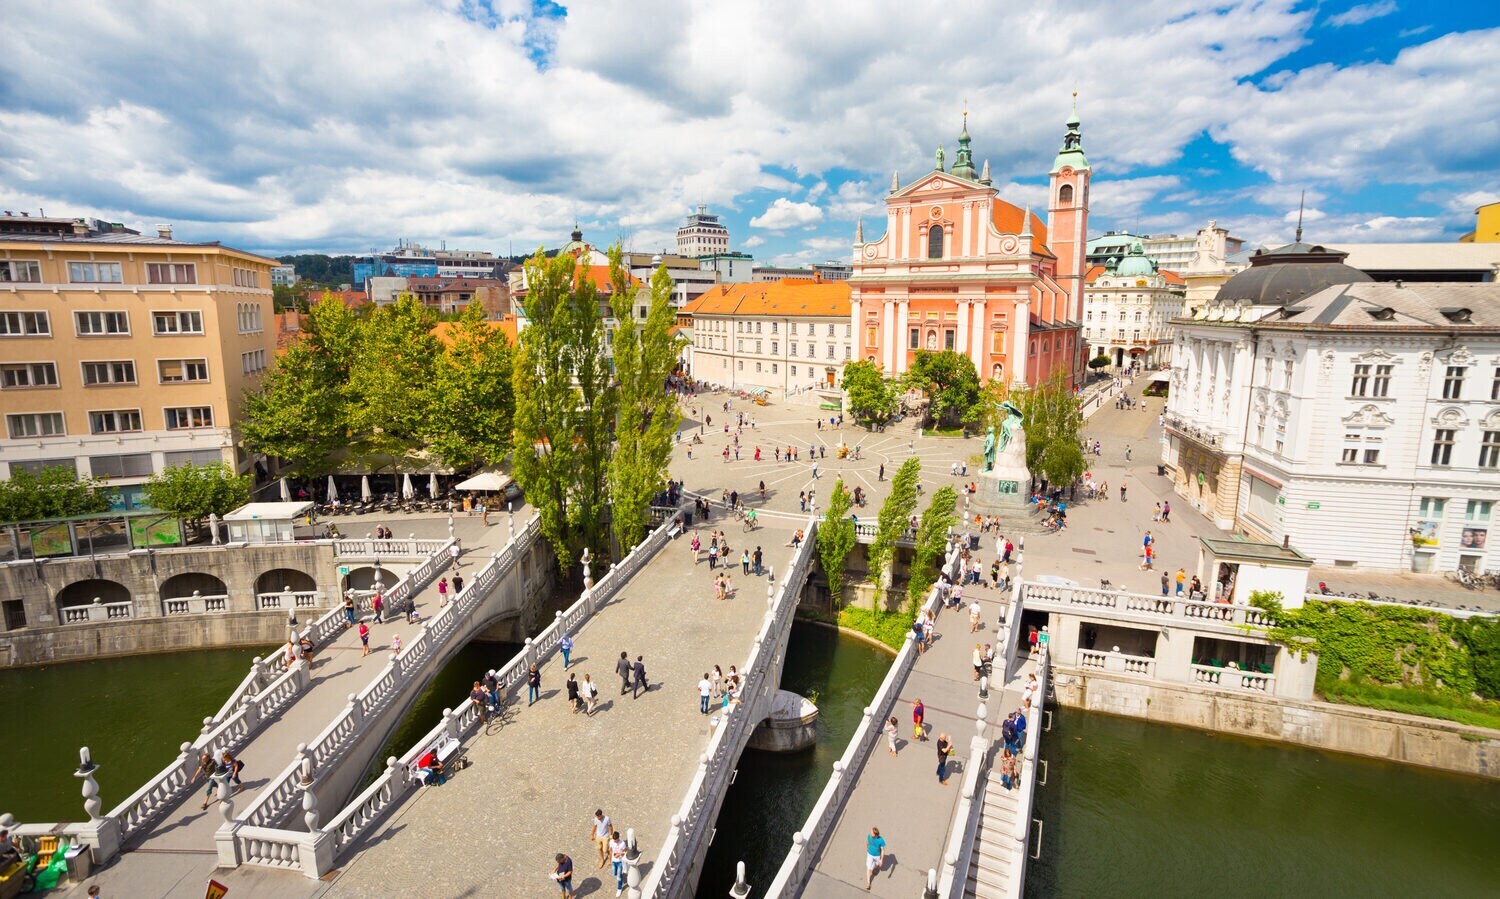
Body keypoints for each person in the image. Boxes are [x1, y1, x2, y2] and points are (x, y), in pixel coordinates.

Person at [609, 831, 628, 896]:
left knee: (619, 877)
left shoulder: (622, 843)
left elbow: (625, 851)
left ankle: (619, 889)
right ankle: (621, 877)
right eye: (614, 840)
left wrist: (619, 854)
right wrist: (609, 861)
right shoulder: (611, 842)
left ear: (618, 838)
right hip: (613, 861)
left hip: (620, 861)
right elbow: (611, 851)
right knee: (614, 873)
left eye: (616, 840)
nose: (615, 842)